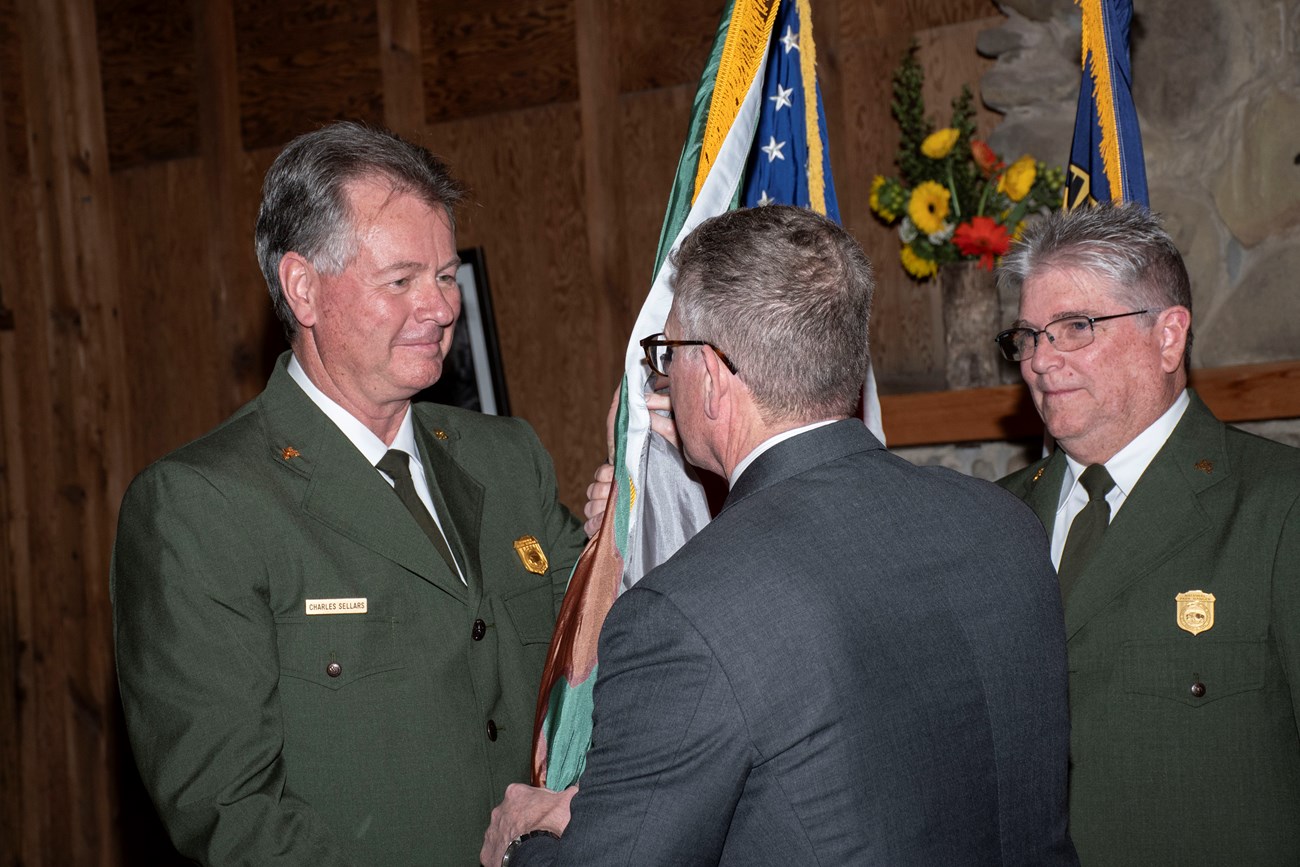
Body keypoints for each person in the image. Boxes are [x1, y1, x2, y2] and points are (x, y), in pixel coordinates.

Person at [482, 204, 1077, 866]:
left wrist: (524, 838)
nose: (662, 375)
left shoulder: (686, 613)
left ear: (710, 376)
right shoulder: (1005, 523)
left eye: (666, 354)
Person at [110, 121, 590, 865]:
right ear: (304, 288)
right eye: (400, 281)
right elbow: (234, 814)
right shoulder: (203, 506)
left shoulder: (506, 459)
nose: (438, 308)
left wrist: (640, 494)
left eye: (444, 275)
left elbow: (606, 642)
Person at [995, 203, 1300, 866]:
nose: (1042, 360)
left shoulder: (1278, 505)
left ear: (1169, 337)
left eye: (1075, 327)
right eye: (1028, 336)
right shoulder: (993, 519)